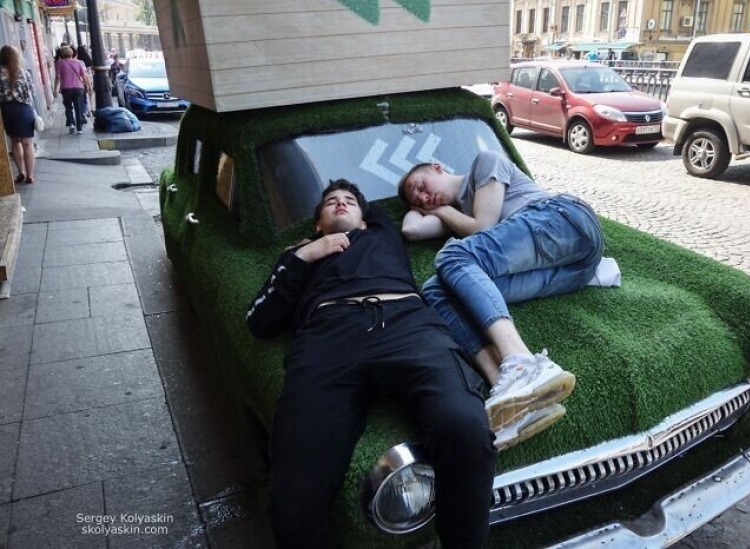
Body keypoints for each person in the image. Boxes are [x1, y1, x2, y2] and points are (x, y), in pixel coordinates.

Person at [246, 180, 495, 549]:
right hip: (328, 336)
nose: (341, 203)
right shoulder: (301, 255)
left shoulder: (381, 232)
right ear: (317, 223)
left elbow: (399, 199)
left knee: (465, 427)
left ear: (365, 219)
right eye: (331, 202)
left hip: (406, 323)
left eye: (349, 201)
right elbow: (260, 321)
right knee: (294, 491)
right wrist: (307, 253)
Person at [398, 151, 604, 448]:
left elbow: (482, 227)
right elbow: (411, 230)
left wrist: (440, 210)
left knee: (452, 255)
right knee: (436, 289)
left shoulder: (484, 162)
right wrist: (435, 210)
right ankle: (512, 397)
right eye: (416, 201)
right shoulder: (458, 214)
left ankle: (522, 362)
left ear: (437, 167)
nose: (422, 198)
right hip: (573, 272)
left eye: (420, 186)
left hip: (563, 221)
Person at [0, 45, 37, 184]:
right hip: (24, 109)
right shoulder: (23, 72)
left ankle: (21, 172)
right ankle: (30, 175)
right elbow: (32, 92)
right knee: (28, 144)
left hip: (7, 110)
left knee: (15, 142)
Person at [53, 45, 88, 134]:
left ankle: (71, 123)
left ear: (62, 54)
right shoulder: (78, 62)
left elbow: (58, 77)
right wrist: (87, 86)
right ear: (71, 53)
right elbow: (84, 76)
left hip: (66, 89)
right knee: (78, 107)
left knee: (68, 107)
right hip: (78, 88)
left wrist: (55, 89)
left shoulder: (59, 63)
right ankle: (79, 128)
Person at [76, 45, 95, 116]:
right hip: (90, 77)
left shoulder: (78, 60)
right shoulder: (88, 59)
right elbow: (92, 69)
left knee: (85, 95)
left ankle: (88, 110)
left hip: (82, 78)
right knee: (91, 93)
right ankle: (93, 109)